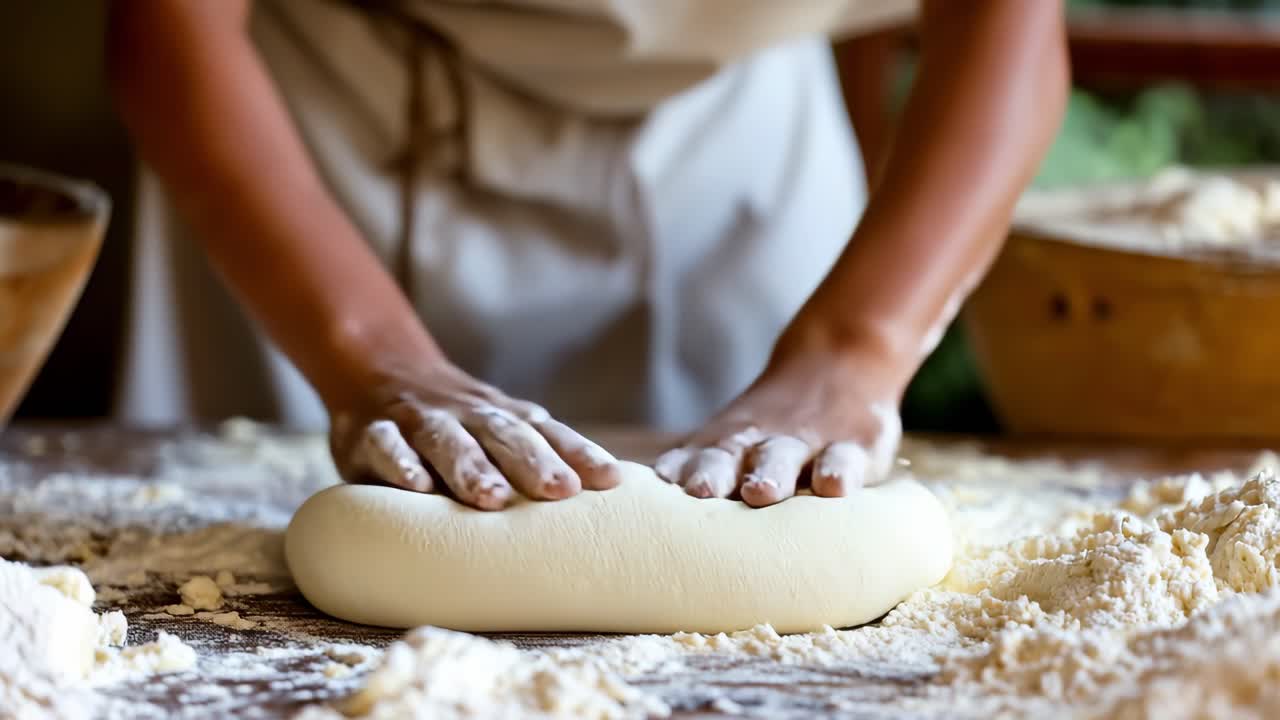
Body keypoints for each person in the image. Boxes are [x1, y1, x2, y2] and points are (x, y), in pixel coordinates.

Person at [106, 1, 1068, 510]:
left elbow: (1006, 17)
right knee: (246, 521)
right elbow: (170, 23)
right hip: (335, 122)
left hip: (735, 127)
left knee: (770, 503)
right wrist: (368, 357)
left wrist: (854, 347)